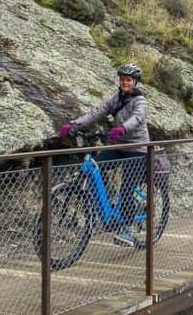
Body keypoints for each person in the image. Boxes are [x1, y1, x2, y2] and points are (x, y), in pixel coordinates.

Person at [58, 63, 152, 247]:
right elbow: (97, 112)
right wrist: (74, 124)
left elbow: (138, 118)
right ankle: (110, 205)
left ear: (134, 82)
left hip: (137, 149)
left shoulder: (140, 101)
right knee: (96, 168)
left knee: (127, 188)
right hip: (118, 146)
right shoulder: (116, 99)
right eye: (122, 79)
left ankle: (126, 228)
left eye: (128, 80)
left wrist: (123, 127)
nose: (125, 82)